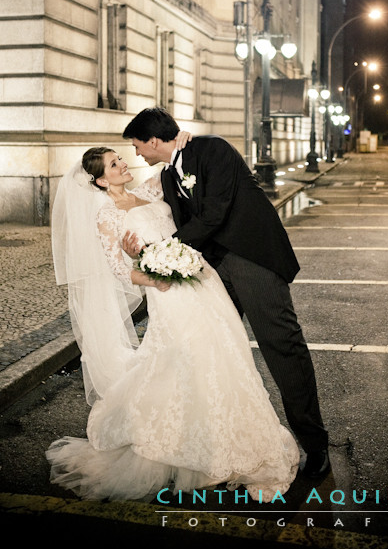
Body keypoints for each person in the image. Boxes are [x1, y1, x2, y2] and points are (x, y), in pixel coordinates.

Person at [46, 143, 299, 501]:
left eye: (121, 159)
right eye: (114, 165)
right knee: (190, 360)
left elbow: (178, 169)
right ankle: (195, 445)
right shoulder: (107, 215)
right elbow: (118, 268)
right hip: (169, 294)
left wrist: (182, 141)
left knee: (228, 351)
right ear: (101, 181)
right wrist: (154, 274)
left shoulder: (148, 189)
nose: (123, 165)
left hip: (203, 281)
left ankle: (235, 433)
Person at [122, 107, 330, 479]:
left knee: (281, 346)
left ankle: (315, 445)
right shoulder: (168, 175)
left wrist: (163, 251)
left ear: (153, 140)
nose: (137, 154)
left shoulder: (214, 150)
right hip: (213, 269)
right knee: (216, 350)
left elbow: (215, 212)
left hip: (252, 258)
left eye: (138, 146)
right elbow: (156, 208)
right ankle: (226, 444)